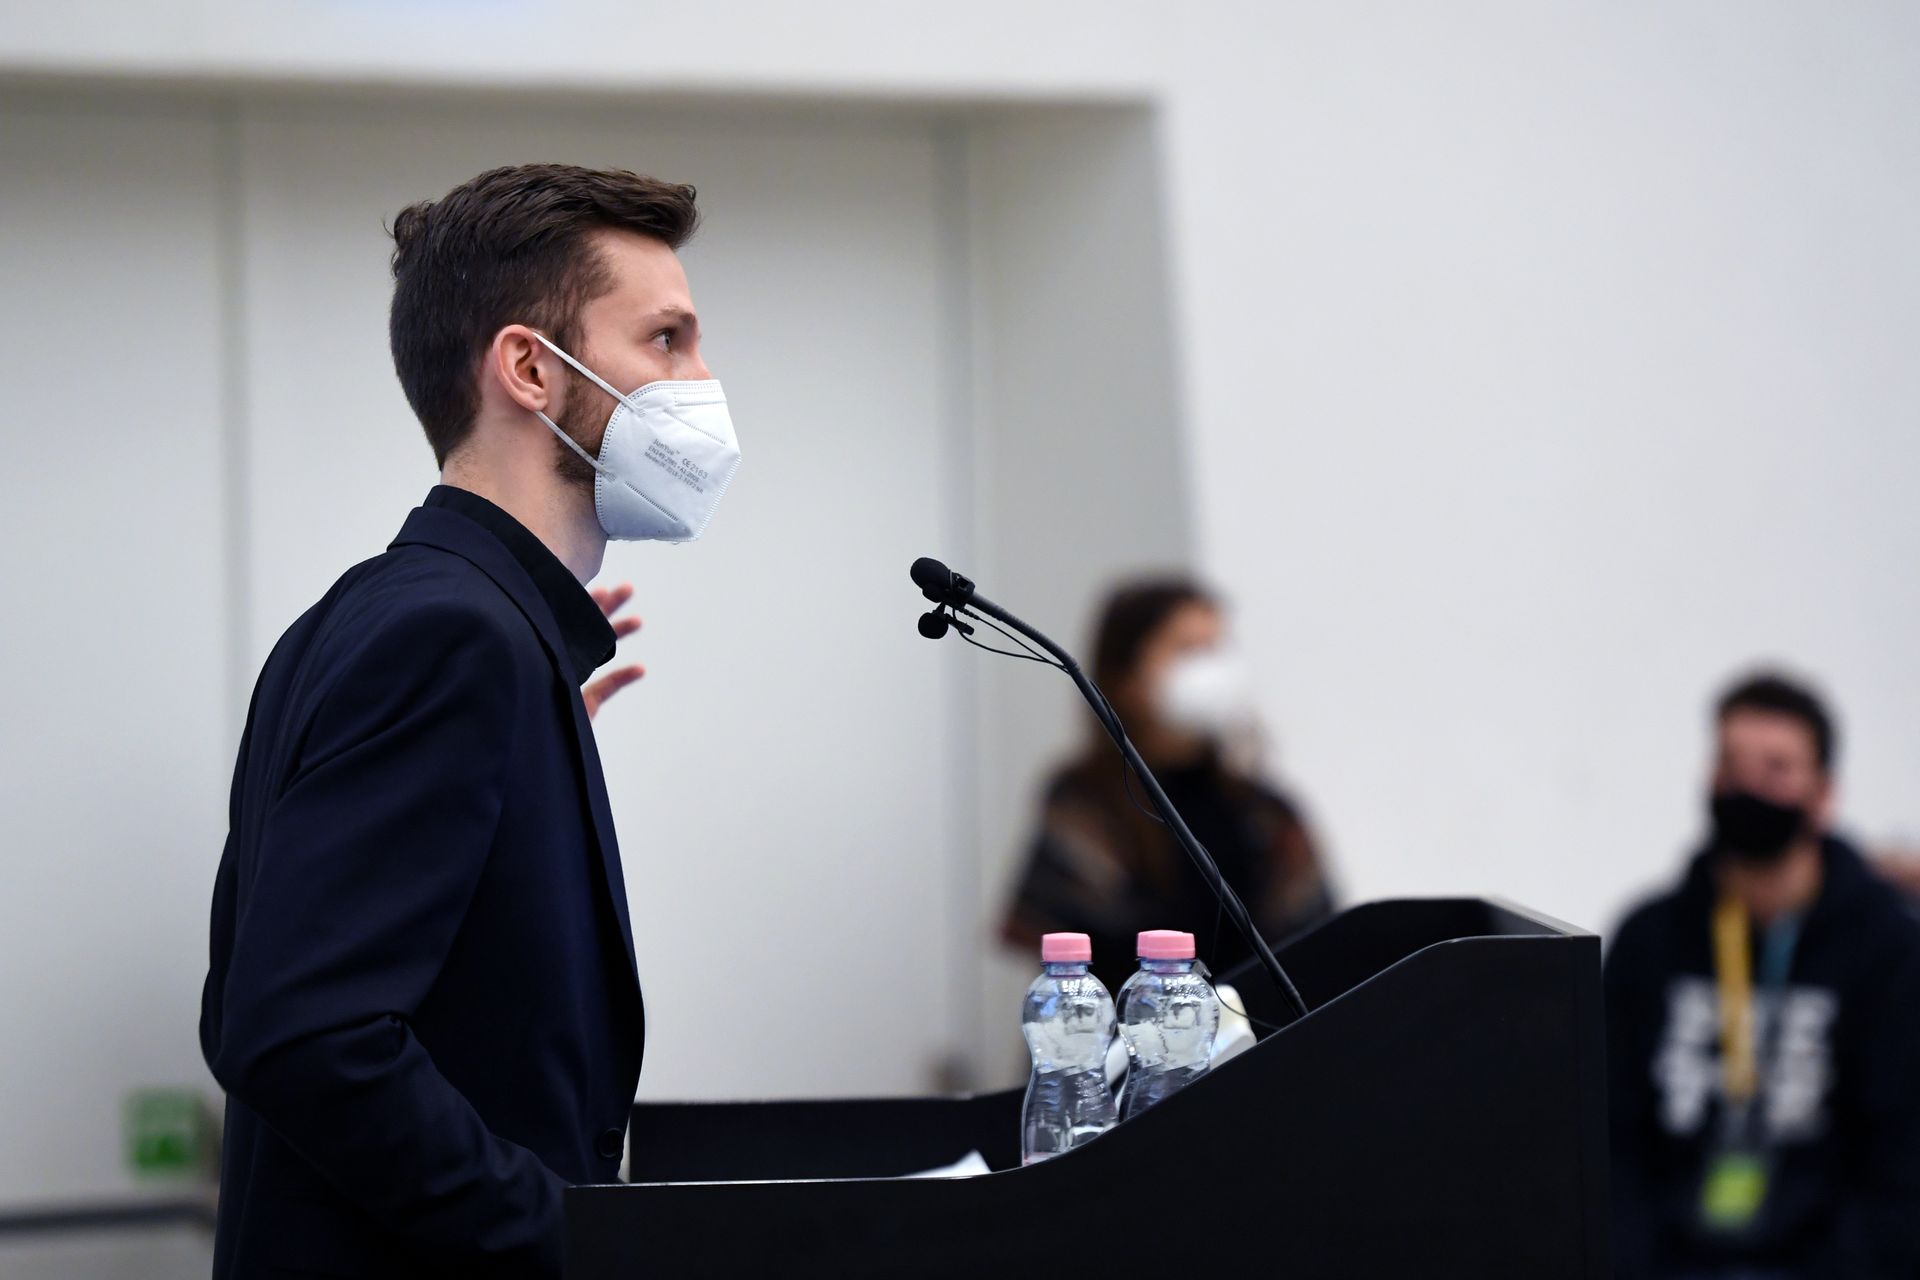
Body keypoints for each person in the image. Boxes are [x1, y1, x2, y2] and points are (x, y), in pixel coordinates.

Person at [198, 163, 740, 1277]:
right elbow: (299, 1031)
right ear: (530, 369)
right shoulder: (451, 639)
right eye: (667, 340)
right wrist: (570, 1237)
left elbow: (271, 992)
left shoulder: (404, 621)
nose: (702, 380)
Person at [1605, 672, 1920, 1278]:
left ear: (1823, 794)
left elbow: (1901, 1170)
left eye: (1777, 769)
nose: (1749, 786)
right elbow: (1608, 1143)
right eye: (1732, 764)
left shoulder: (1889, 952)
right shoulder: (1648, 939)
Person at [1000, 577, 1332, 994]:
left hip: (1261, 1030)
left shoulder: (1264, 809)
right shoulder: (1084, 800)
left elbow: (1318, 940)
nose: (1210, 670)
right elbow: (1070, 946)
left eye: (1216, 649)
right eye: (1187, 650)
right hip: (1126, 1027)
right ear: (1126, 676)